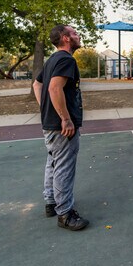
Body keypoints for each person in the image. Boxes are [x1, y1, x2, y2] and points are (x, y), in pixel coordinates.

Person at [33, 25, 89, 231]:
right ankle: (65, 213)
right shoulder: (66, 59)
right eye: (74, 33)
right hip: (61, 126)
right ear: (65, 38)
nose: (78, 35)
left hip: (50, 123)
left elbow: (36, 85)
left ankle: (51, 203)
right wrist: (65, 118)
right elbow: (54, 88)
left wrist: (46, 107)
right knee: (64, 166)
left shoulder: (52, 60)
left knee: (53, 162)